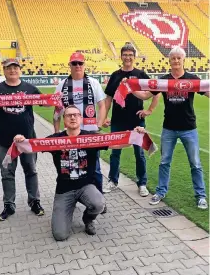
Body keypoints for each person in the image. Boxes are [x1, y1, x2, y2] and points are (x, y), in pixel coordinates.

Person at [14, 105, 146, 240]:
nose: (72, 117)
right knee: (60, 235)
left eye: (76, 115)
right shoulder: (55, 139)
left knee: (98, 204)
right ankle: (68, 209)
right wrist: (20, 141)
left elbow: (118, 143)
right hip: (64, 189)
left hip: (86, 186)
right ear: (64, 120)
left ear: (81, 118)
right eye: (68, 115)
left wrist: (135, 135)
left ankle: (88, 219)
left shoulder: (92, 138)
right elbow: (31, 147)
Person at [132, 47, 209, 209]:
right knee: (164, 162)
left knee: (195, 163)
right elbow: (146, 95)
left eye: (178, 58)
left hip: (189, 128)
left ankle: (201, 196)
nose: (175, 61)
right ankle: (160, 192)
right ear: (169, 60)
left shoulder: (192, 79)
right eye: (173, 58)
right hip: (169, 128)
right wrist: (130, 88)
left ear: (183, 60)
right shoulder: (164, 81)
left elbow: (207, 92)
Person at [0, 58, 45, 221]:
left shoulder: (29, 88)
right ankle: (9, 205)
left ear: (20, 70)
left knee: (31, 171)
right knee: (7, 173)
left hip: (27, 141)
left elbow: (45, 102)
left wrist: (55, 100)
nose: (13, 71)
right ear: (4, 70)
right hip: (4, 141)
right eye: (9, 68)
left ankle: (34, 201)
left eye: (16, 68)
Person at [103, 43, 159, 196]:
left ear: (134, 57)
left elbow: (156, 92)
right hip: (118, 120)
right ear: (121, 56)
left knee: (139, 153)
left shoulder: (140, 74)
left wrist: (149, 110)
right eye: (125, 54)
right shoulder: (115, 75)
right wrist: (104, 116)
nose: (127, 57)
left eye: (130, 55)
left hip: (136, 121)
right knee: (115, 152)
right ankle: (112, 181)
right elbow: (108, 98)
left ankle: (142, 183)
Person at [53, 52, 106, 198]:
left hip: (89, 134)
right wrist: (57, 133)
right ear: (69, 65)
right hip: (69, 135)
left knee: (95, 168)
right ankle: (72, 197)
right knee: (70, 167)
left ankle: (98, 197)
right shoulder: (61, 85)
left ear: (84, 65)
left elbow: (102, 106)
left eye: (80, 63)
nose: (77, 66)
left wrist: (98, 126)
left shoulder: (93, 83)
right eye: (74, 63)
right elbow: (57, 111)